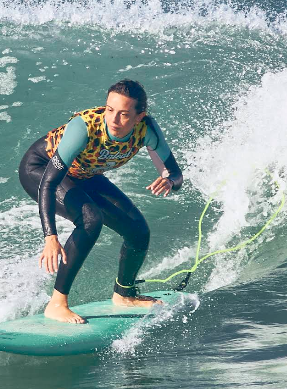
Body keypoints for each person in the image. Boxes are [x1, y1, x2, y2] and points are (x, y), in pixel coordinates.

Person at [17, 80, 184, 323]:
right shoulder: (84, 127)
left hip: (84, 174)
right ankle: (56, 304)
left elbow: (176, 174)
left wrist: (169, 181)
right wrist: (50, 236)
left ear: (139, 117)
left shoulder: (147, 130)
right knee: (90, 219)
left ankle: (124, 295)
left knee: (137, 231)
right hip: (41, 169)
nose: (114, 119)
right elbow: (49, 183)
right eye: (110, 110)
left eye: (124, 114)